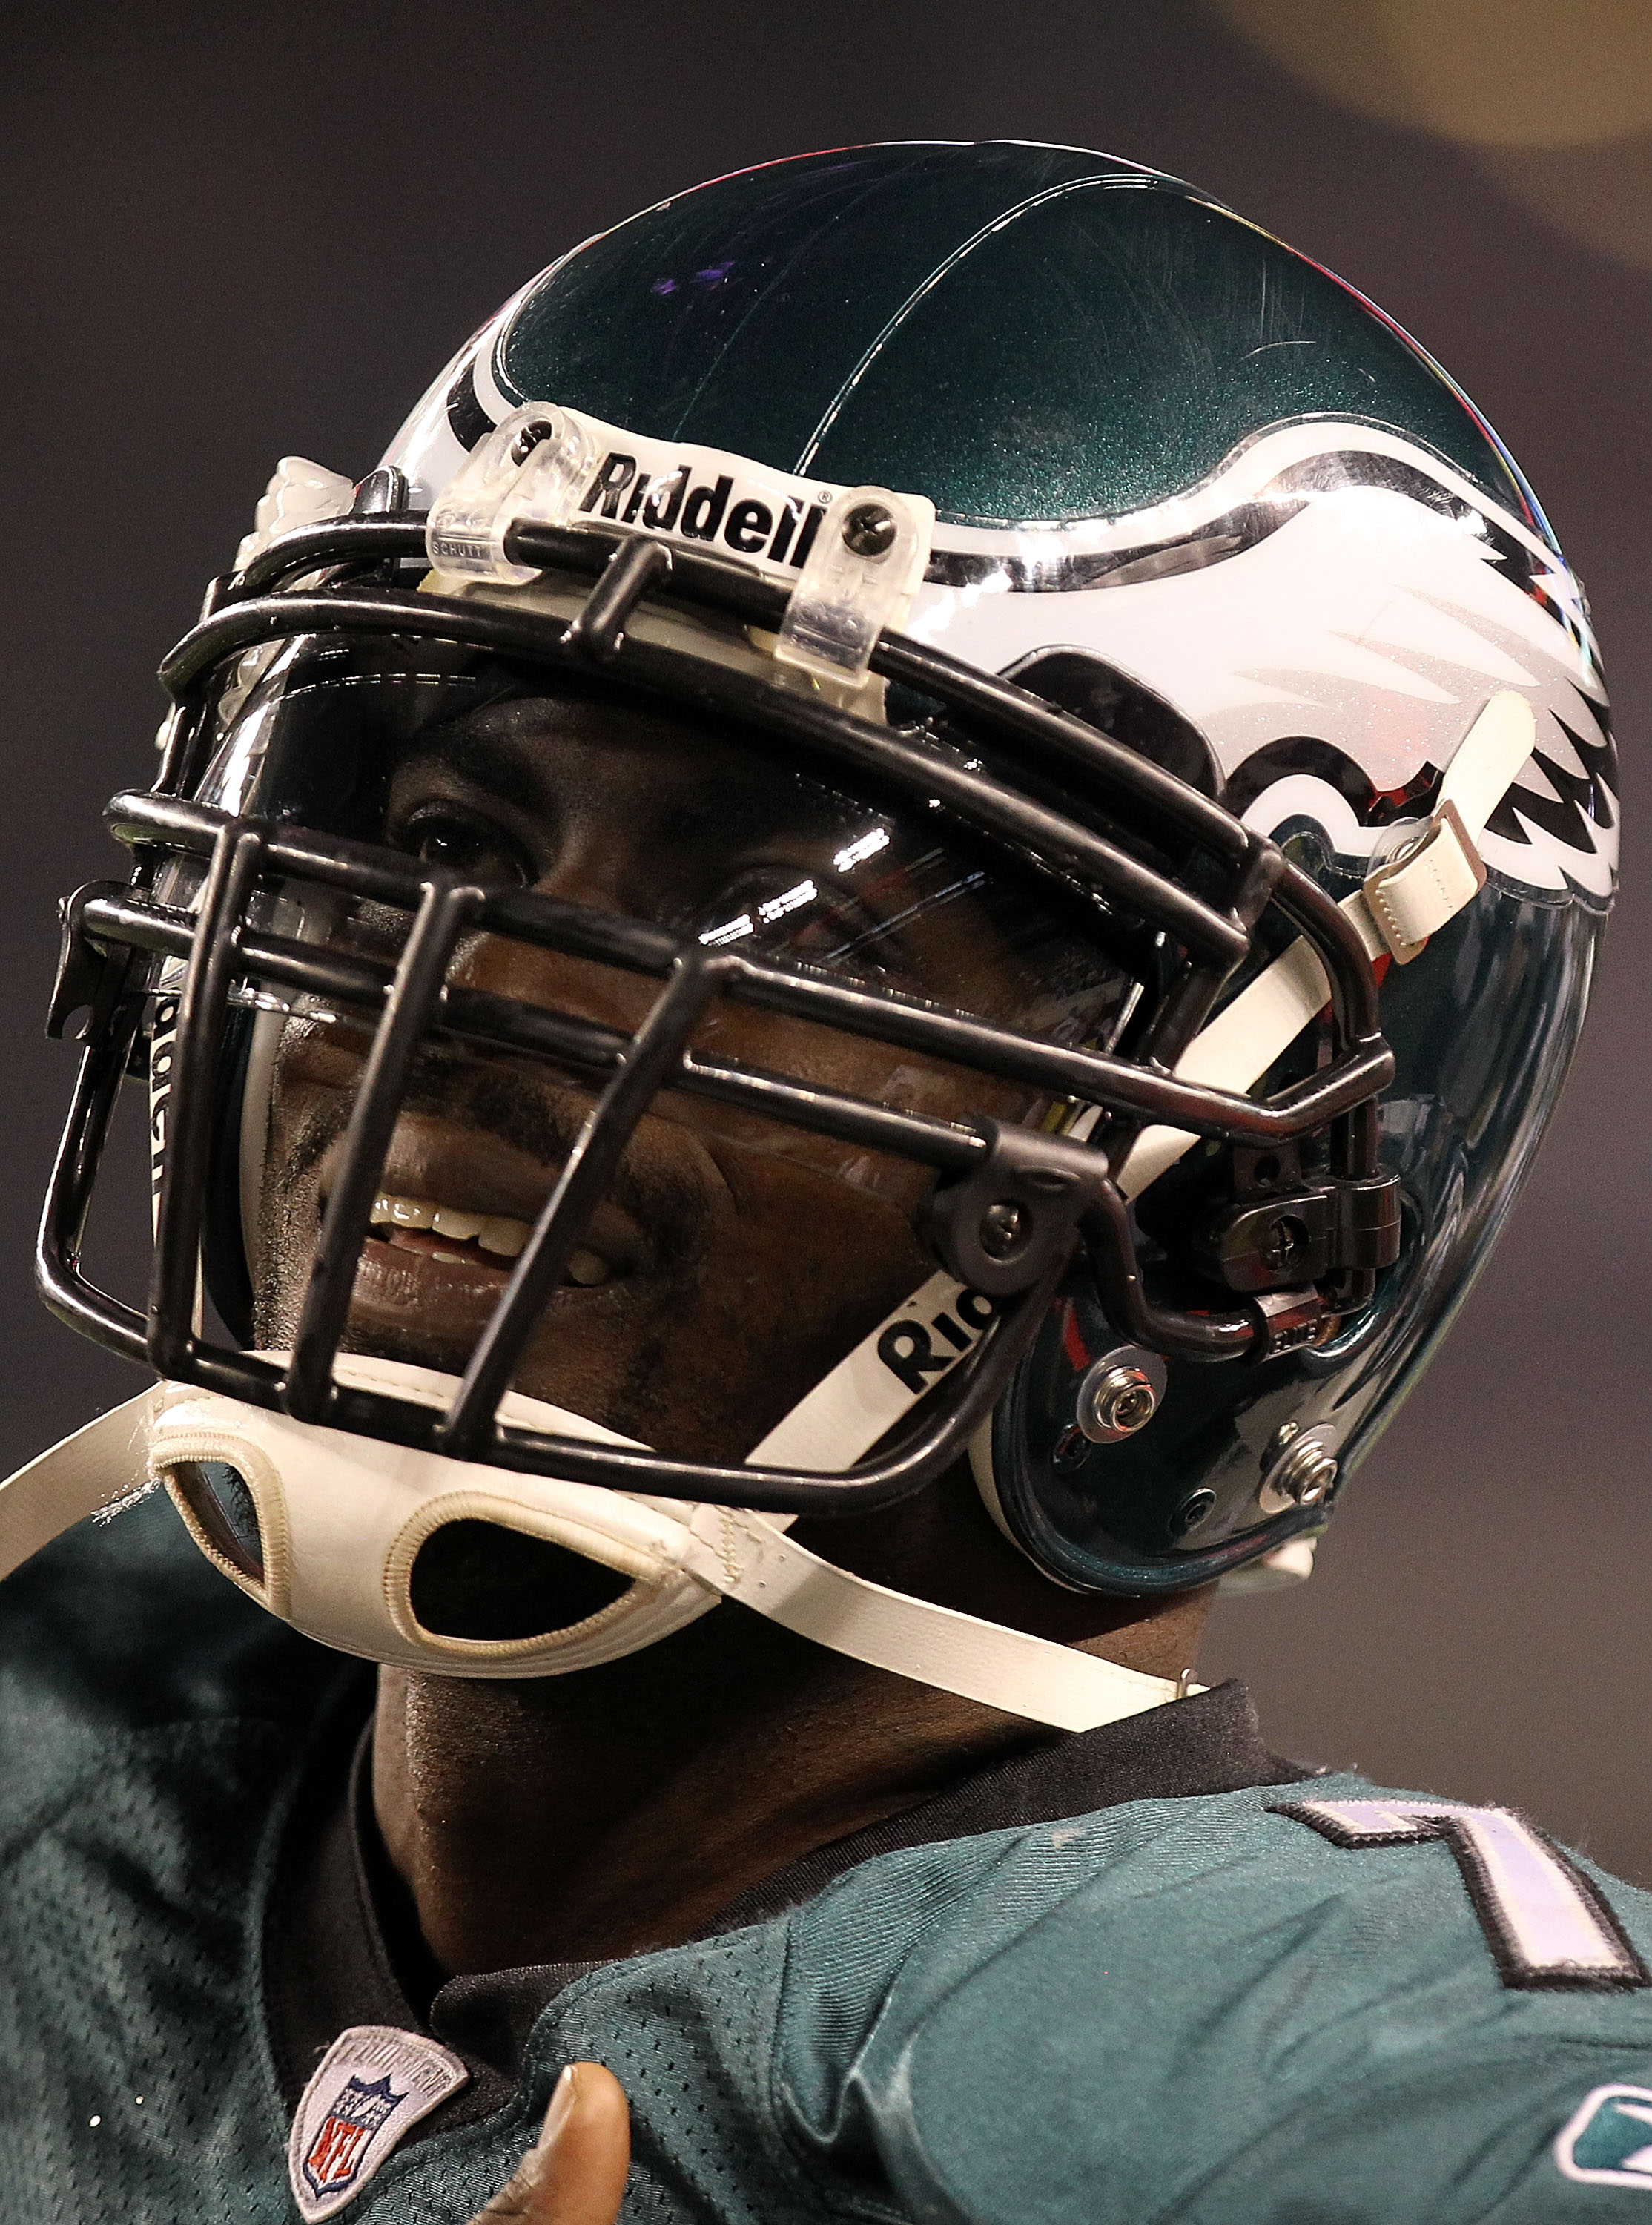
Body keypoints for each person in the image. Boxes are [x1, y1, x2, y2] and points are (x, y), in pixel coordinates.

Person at [5, 139, 1642, 2224]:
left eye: (768, 924)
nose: (467, 1000)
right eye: (441, 844)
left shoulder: (1340, 2086)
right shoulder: (77, 1735)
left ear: (1241, 1215)